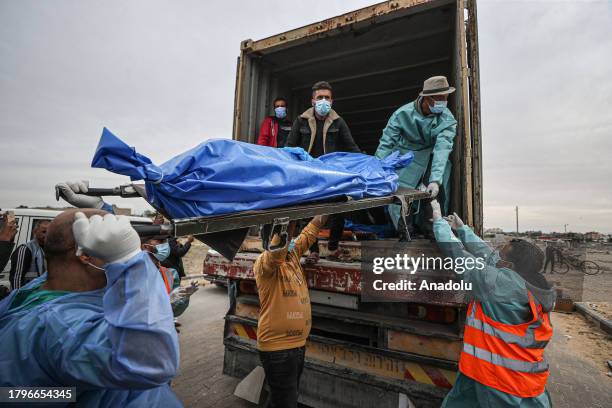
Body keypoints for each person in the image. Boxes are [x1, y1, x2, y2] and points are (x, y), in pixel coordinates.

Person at [0, 209, 181, 406]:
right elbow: (153, 362)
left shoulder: (42, 289)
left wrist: (70, 395)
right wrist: (129, 260)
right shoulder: (63, 327)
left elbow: (21, 394)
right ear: (85, 254)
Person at [430, 201, 555, 408]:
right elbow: (489, 256)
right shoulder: (528, 282)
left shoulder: (498, 283)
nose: (496, 253)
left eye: (502, 252)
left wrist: (438, 223)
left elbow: (459, 256)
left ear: (508, 266)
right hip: (486, 373)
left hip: (504, 386)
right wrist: (462, 229)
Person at [254, 214, 328, 408]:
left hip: (296, 345)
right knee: (286, 401)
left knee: (282, 399)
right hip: (278, 349)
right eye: (286, 237)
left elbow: (310, 231)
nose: (292, 240)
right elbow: (277, 251)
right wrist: (292, 215)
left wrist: (332, 203)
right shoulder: (264, 264)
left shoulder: (293, 256)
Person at [286, 81, 360, 263]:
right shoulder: (301, 120)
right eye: (320, 97)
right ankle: (313, 251)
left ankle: (333, 248)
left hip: (330, 175)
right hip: (308, 174)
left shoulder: (338, 121)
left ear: (332, 101)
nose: (324, 101)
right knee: (307, 212)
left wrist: (364, 165)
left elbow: (352, 148)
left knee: (339, 209)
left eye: (327, 97)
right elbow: (288, 148)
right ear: (313, 101)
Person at [375, 76, 457, 235]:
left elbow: (443, 148)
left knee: (431, 195)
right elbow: (386, 143)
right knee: (400, 193)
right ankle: (404, 230)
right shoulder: (402, 114)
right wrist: (376, 170)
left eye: (446, 98)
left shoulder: (447, 119)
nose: (444, 102)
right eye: (439, 98)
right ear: (426, 98)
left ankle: (432, 230)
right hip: (407, 156)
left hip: (432, 157)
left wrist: (435, 179)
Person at [9, 219, 49, 290]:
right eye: (44, 232)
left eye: (49, 232)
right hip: (28, 296)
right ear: (35, 232)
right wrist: (19, 299)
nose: (47, 235)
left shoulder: (50, 249)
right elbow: (16, 278)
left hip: (41, 296)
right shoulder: (25, 249)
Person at [152, 213, 194, 279]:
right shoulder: (168, 239)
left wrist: (178, 244)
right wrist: (188, 242)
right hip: (171, 272)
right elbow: (179, 253)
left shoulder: (156, 236)